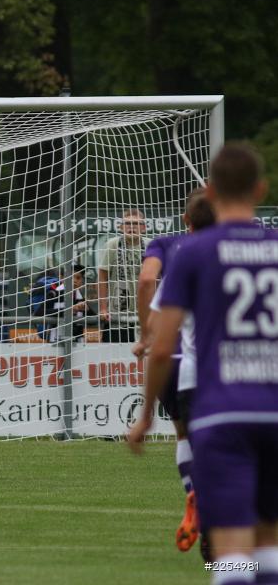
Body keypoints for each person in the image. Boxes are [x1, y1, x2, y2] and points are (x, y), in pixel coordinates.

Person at [128, 144, 278, 585]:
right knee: (269, 544)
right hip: (274, 410)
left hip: (221, 411)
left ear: (210, 192)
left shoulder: (192, 252)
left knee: (230, 550)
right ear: (261, 189)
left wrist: (146, 415)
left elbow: (160, 347)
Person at [131, 188, 215, 555]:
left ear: (186, 219)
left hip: (184, 368)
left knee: (185, 438)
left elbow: (147, 280)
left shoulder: (171, 248)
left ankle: (194, 492)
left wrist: (145, 332)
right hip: (247, 382)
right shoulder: (246, 252)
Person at [98, 208, 149, 342]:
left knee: (145, 360)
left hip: (145, 315)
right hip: (117, 315)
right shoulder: (112, 245)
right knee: (114, 360)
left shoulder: (151, 245)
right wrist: (103, 308)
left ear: (143, 228)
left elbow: (160, 278)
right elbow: (102, 276)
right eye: (127, 223)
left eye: (136, 224)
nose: (131, 227)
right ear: (121, 227)